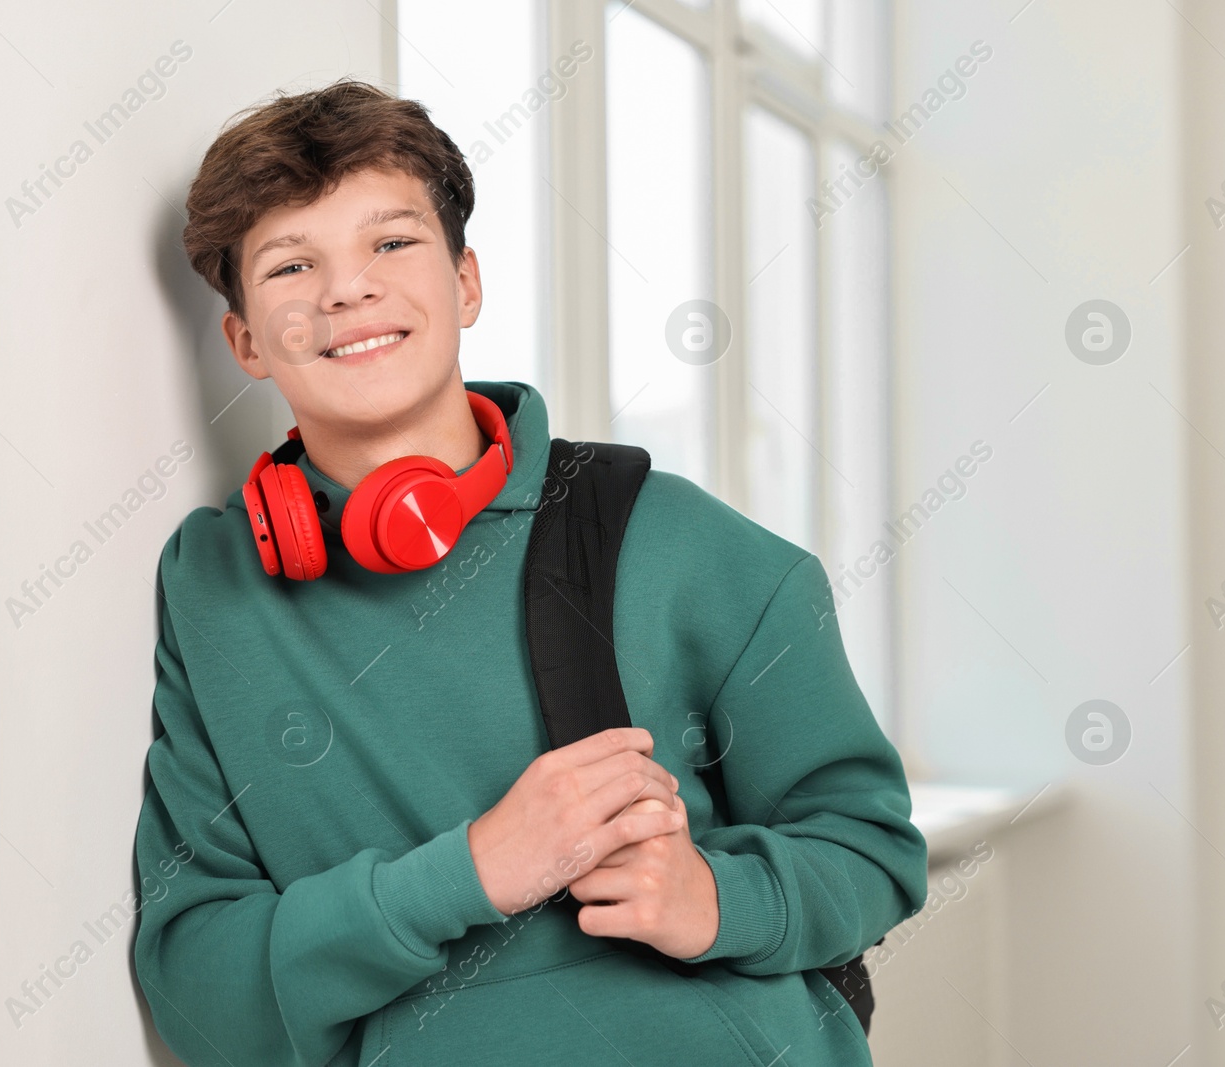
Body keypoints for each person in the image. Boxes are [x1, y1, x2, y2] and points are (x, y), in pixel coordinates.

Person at [131, 77, 928, 1067]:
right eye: (293, 264)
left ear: (466, 280)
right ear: (246, 338)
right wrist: (466, 871)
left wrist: (712, 896)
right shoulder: (216, 586)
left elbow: (873, 850)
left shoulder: (675, 539)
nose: (346, 290)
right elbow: (202, 993)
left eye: (391, 242)